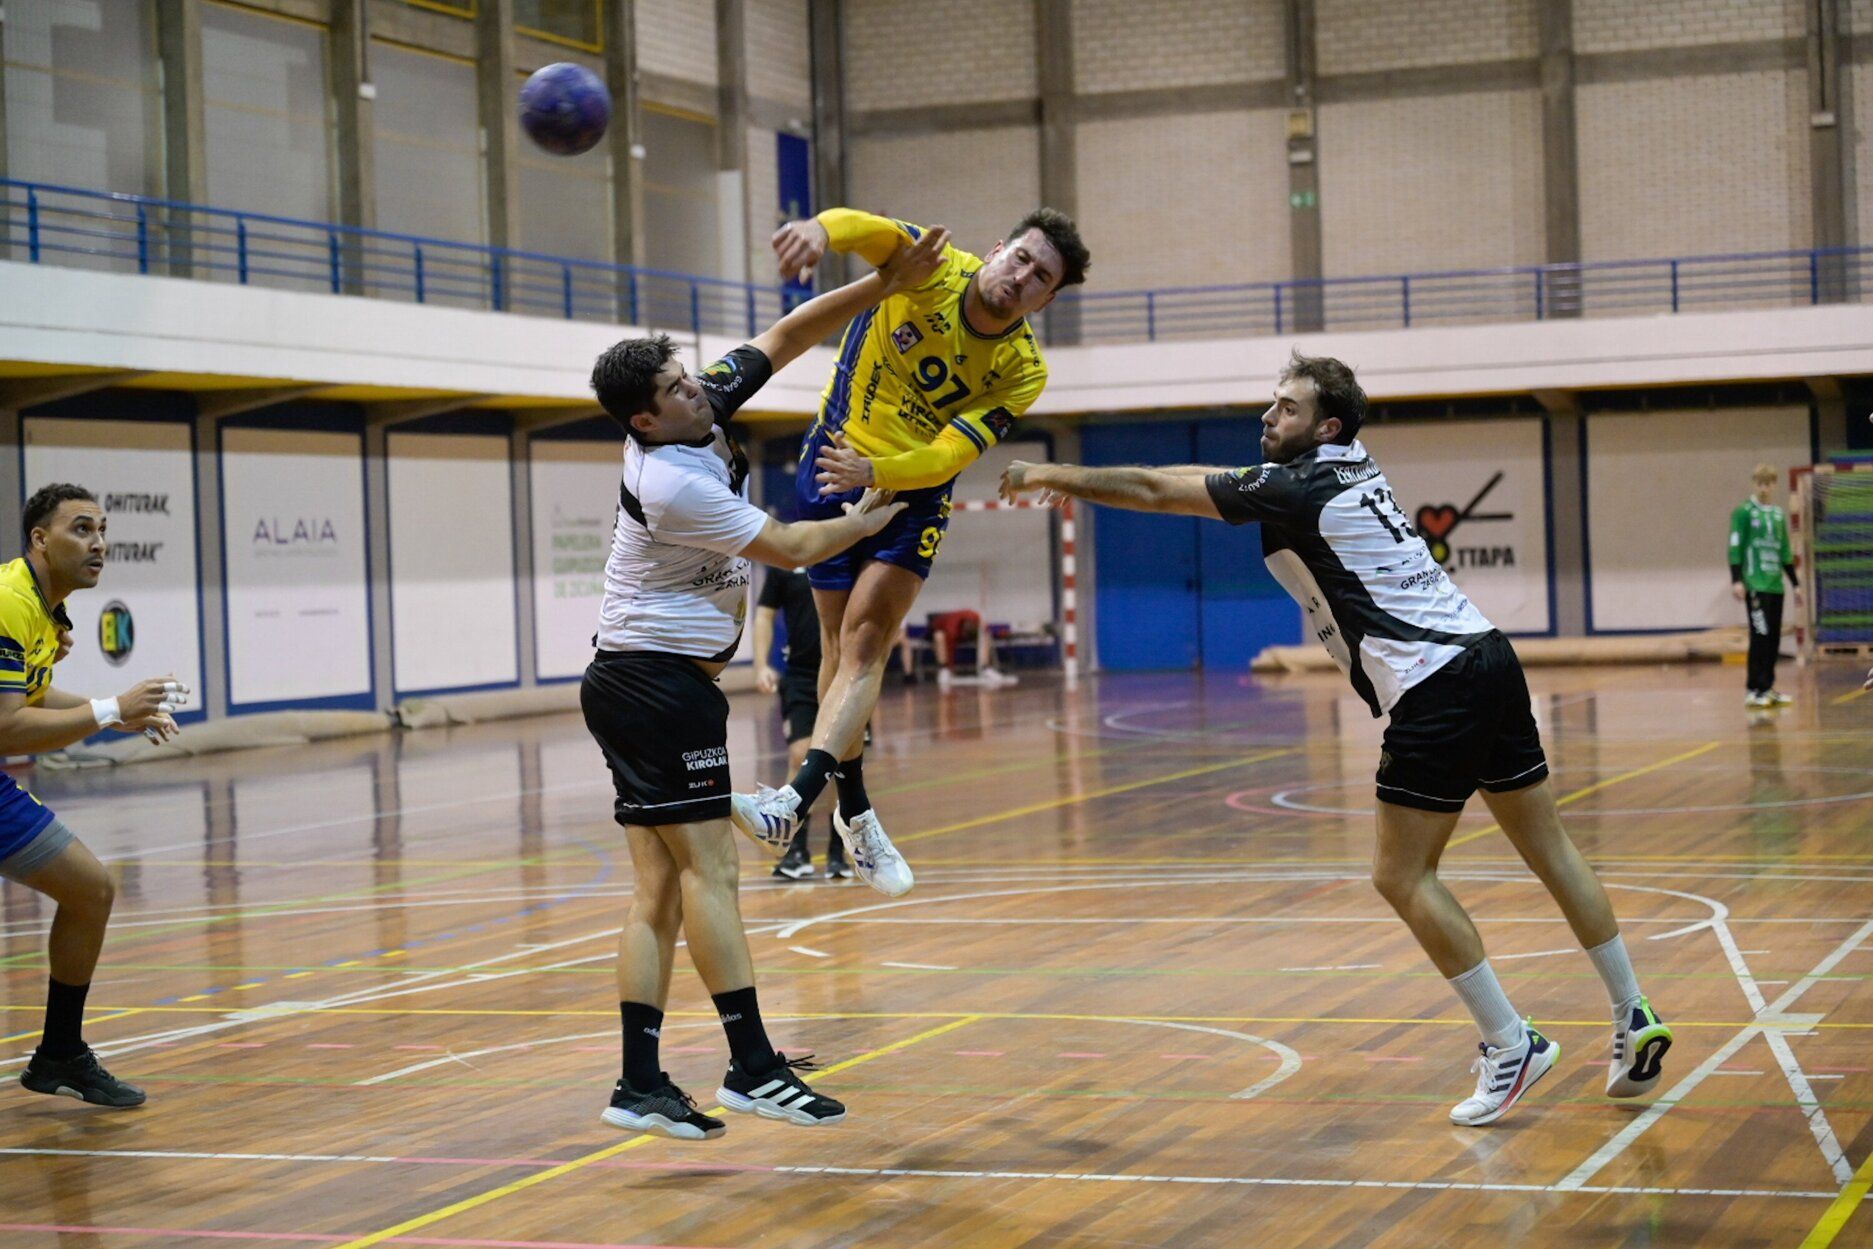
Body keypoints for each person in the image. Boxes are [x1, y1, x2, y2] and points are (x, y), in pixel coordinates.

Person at [997, 351, 1674, 1127]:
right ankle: (1631, 1010)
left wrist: (1057, 475)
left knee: (1400, 874)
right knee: (1550, 846)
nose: (1266, 416)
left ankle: (1508, 1041)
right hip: (1487, 654)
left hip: (1433, 682)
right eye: (1269, 402)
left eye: (1284, 407)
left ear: (1325, 426)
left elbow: (1157, 485)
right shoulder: (1353, 463)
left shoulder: (1299, 484)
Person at [581, 226, 946, 1140]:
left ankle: (638, 1082)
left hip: (633, 679)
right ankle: (751, 1067)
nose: (695, 386)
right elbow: (788, 546)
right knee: (709, 874)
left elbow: (786, 334)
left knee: (659, 893)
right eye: (673, 388)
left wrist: (881, 279)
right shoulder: (670, 479)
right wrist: (870, 516)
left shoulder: (698, 409)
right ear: (644, 421)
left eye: (688, 376)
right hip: (656, 685)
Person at [733, 206, 1091, 898]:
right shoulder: (931, 262)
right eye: (1020, 258)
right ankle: (858, 814)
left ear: (1047, 300)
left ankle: (790, 803)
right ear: (997, 248)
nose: (1021, 277)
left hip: (911, 489)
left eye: (1040, 277)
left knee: (866, 644)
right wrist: (816, 231)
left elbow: (953, 451)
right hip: (831, 467)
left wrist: (885, 474)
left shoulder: (1022, 369)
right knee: (835, 650)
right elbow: (864, 229)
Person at [4, 483, 188, 1108]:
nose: (99, 542)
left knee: (90, 889)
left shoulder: (43, 607)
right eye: (81, 528)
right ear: (39, 538)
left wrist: (114, 717)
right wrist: (110, 707)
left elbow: (25, 699)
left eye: (102, 529)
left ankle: (58, 1054)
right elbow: (5, 725)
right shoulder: (8, 602)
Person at [754, 565, 849, 880]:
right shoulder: (787, 561)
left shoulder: (849, 554)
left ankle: (839, 851)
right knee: (799, 755)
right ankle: (796, 850)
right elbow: (764, 615)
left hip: (844, 674)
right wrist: (761, 665)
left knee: (840, 763)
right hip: (801, 676)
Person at [1730, 464, 1797, 709]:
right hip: (1755, 585)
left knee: (1773, 639)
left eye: (1769, 483)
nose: (1765, 488)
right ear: (1754, 484)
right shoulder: (1744, 512)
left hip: (1775, 585)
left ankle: (1767, 688)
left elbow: (1785, 551)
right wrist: (1737, 579)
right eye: (1760, 483)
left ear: (1774, 485)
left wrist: (1796, 584)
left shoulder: (1778, 514)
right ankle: (1753, 689)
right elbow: (1735, 546)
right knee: (1759, 636)